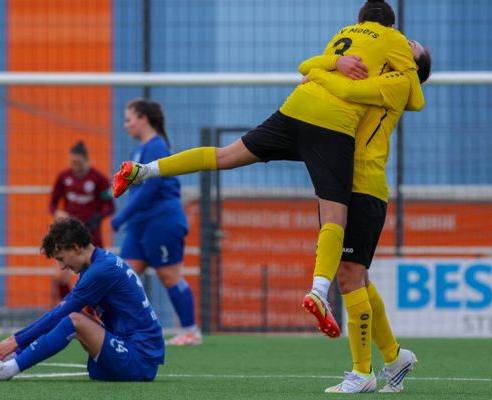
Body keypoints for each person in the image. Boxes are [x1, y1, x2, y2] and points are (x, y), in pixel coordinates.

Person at [112, 0, 424, 339]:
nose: (408, 46)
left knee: (223, 155)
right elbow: (415, 96)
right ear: (392, 28)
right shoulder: (393, 43)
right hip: (332, 129)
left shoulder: (343, 35)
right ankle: (319, 292)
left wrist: (328, 66)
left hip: (294, 110)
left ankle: (143, 171)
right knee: (335, 216)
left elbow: (307, 66)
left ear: (358, 19)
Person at [301, 37, 431, 394]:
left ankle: (363, 372)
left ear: (410, 68)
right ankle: (394, 356)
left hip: (363, 185)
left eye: (410, 48)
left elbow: (340, 86)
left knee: (349, 277)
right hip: (342, 181)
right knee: (356, 277)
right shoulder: (376, 72)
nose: (401, 44)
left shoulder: (393, 85)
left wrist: (317, 70)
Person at [0, 217, 164, 382]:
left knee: (73, 320)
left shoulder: (100, 271)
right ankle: (5, 361)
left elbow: (60, 314)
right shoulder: (97, 264)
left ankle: (7, 369)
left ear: (76, 248)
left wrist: (17, 340)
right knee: (74, 317)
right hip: (130, 350)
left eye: (61, 258)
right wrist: (18, 342)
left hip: (139, 360)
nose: (61, 266)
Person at [111, 99, 201, 346]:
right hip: (140, 224)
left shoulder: (157, 147)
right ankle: (125, 330)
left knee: (170, 276)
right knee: (124, 277)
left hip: (161, 222)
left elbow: (149, 191)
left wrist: (120, 218)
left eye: (129, 119)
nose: (125, 125)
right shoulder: (139, 150)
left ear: (143, 119)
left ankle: (191, 331)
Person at [49, 141, 114, 304]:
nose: (75, 166)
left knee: (94, 279)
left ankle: (93, 315)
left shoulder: (99, 179)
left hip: (91, 237)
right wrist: (59, 213)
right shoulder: (64, 177)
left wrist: (97, 218)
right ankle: (69, 310)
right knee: (60, 275)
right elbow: (52, 204)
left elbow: (111, 207)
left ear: (87, 160)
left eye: (78, 162)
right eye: (72, 162)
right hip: (68, 235)